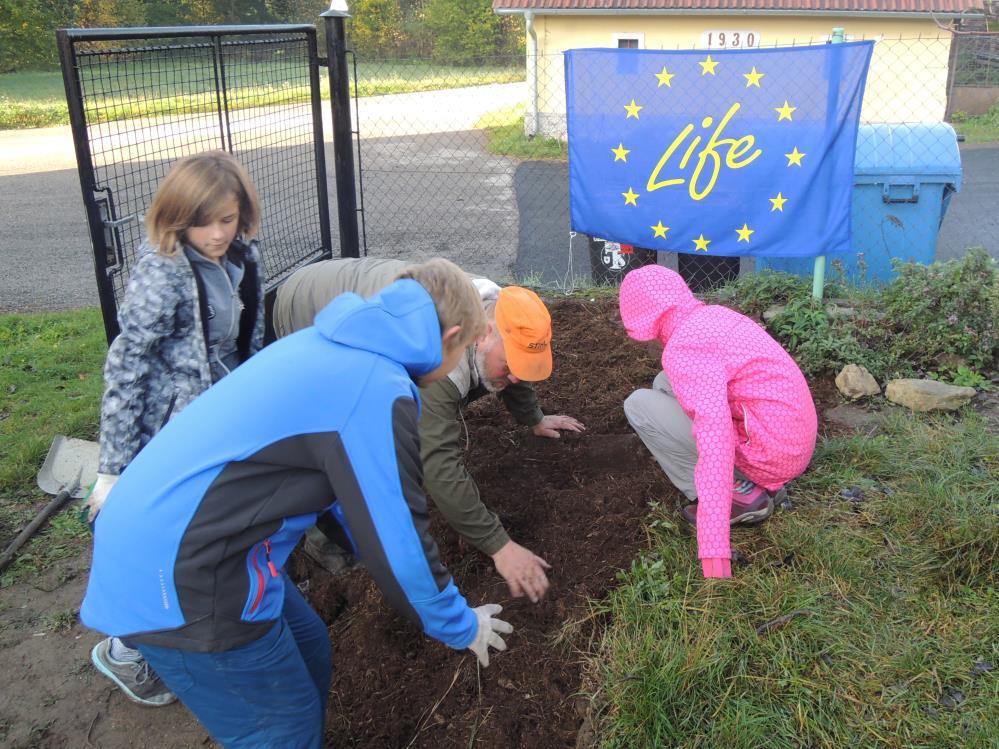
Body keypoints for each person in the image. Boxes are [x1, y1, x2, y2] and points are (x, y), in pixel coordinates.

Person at [80, 259, 514, 749]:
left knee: (310, 649)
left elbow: (354, 497)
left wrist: (366, 546)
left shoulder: (335, 344)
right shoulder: (377, 387)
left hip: (183, 534)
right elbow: (399, 538)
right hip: (179, 576)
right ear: (452, 336)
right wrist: (457, 624)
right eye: (462, 350)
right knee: (282, 729)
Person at [273, 258, 585, 603]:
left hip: (357, 296)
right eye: (510, 366)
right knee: (347, 434)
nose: (514, 377)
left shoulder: (499, 311)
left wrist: (534, 418)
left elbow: (513, 366)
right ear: (485, 333)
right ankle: (325, 541)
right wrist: (499, 545)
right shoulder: (438, 358)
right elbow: (439, 466)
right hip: (307, 307)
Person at [81, 150, 265, 707]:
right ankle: (125, 647)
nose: (215, 233)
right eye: (203, 222)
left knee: (208, 529)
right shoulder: (161, 272)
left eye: (227, 219)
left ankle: (204, 615)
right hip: (167, 433)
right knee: (157, 535)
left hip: (218, 421)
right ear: (178, 217)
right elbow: (127, 366)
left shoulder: (241, 255)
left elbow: (243, 339)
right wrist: (113, 469)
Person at [618, 265, 817, 579]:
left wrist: (714, 548)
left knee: (639, 405)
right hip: (790, 440)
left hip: (772, 455)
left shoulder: (684, 349)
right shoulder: (712, 318)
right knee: (663, 383)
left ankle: (741, 494)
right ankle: (764, 483)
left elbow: (716, 438)